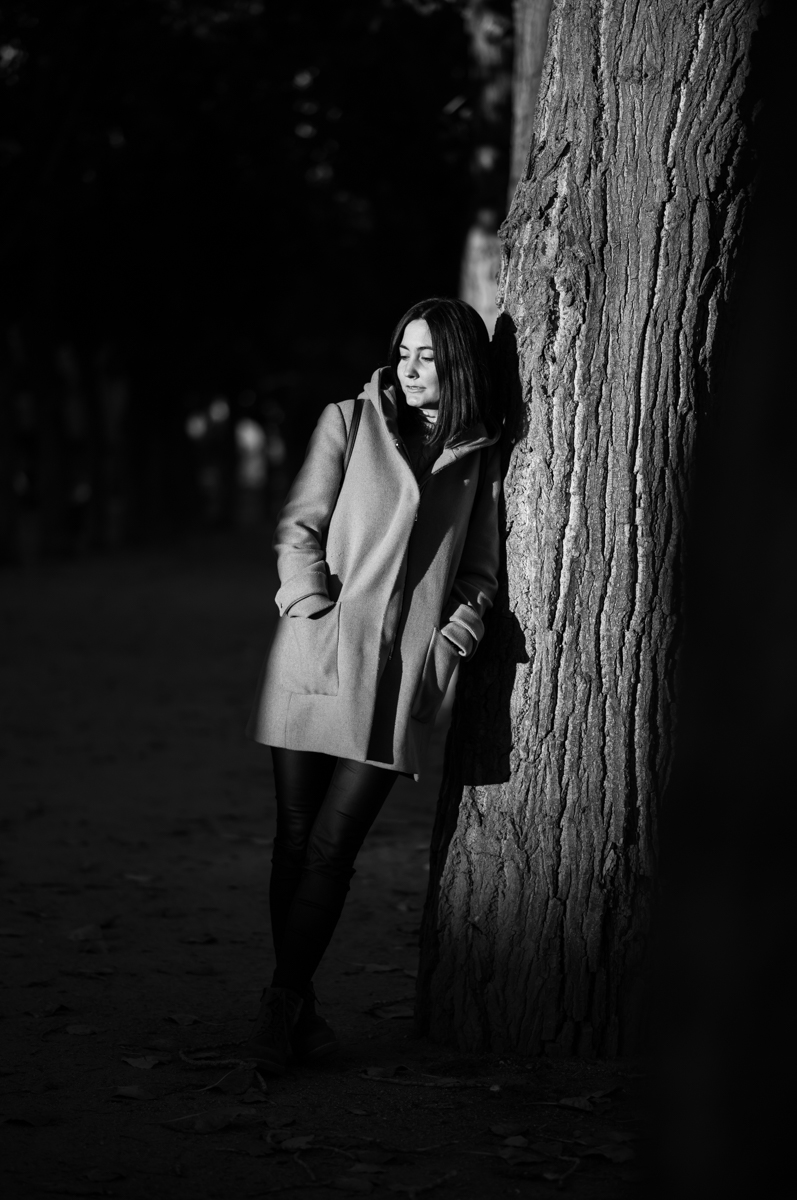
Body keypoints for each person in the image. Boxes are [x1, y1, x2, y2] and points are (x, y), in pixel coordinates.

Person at [245, 296, 502, 1071]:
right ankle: (293, 1006)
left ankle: (282, 1001)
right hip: (318, 654)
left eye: (428, 355)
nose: (409, 367)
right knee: (295, 836)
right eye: (403, 351)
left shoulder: (480, 454)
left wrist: (451, 640)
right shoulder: (348, 421)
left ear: (459, 364)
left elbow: (479, 572)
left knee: (333, 847)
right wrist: (309, 606)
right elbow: (299, 526)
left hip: (398, 681)